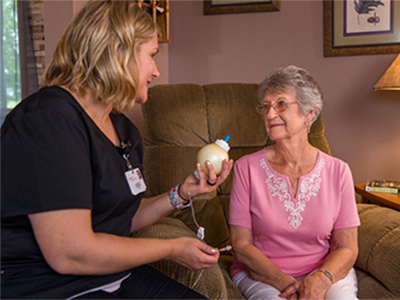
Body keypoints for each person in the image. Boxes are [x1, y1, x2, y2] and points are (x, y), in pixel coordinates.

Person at [1, 1, 233, 299]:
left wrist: (182, 194)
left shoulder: (123, 131)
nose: (157, 71)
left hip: (108, 276)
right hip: (45, 286)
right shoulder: (48, 121)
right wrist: (173, 247)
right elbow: (70, 253)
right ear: (117, 52)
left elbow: (120, 217)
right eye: (151, 56)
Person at [229, 65, 360, 300]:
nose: (269, 115)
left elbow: (347, 248)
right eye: (266, 106)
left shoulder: (338, 171)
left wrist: (320, 279)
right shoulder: (245, 168)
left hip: (323, 272)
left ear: (309, 112)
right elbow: (241, 245)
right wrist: (289, 285)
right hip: (261, 275)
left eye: (281, 104)